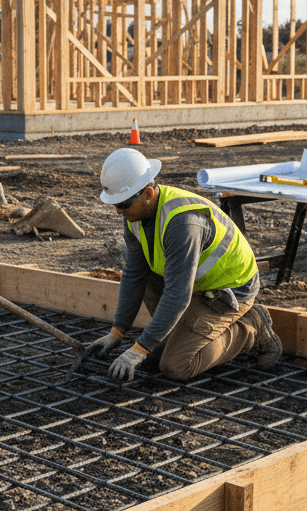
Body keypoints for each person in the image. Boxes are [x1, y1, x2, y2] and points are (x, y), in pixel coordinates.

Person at [87, 148, 282, 382]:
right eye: (115, 204)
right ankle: (179, 333)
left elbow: (178, 294)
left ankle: (252, 328)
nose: (119, 211)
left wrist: (140, 348)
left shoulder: (182, 223)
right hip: (194, 286)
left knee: (175, 365)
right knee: (155, 342)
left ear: (148, 193)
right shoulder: (134, 217)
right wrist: (116, 333)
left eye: (124, 204)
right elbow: (134, 274)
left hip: (229, 290)